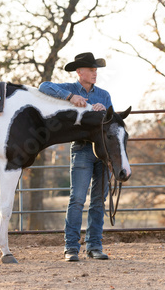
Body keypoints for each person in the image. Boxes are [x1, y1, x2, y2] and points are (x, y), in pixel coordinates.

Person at [39, 52, 112, 262]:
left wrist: (103, 111)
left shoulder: (104, 95)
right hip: (82, 150)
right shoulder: (69, 90)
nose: (94, 73)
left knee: (99, 200)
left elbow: (111, 123)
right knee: (77, 199)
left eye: (95, 70)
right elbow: (44, 86)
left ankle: (94, 246)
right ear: (79, 72)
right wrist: (71, 98)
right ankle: (71, 248)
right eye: (91, 70)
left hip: (103, 150)